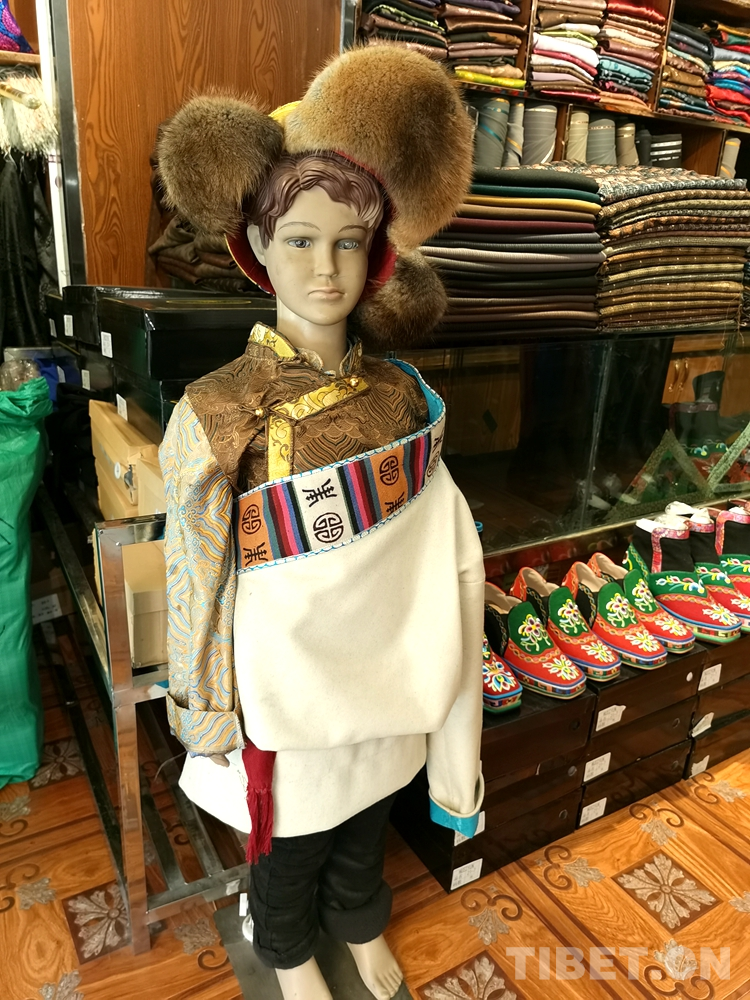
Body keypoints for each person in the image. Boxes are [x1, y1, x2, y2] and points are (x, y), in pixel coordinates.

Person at [157, 45, 484, 1000]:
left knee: (369, 811)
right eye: (298, 239)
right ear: (256, 247)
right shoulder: (217, 409)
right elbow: (196, 568)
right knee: (292, 835)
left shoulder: (403, 397)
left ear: (378, 253)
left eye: (348, 240)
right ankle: (288, 946)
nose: (325, 266)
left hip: (391, 662)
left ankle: (359, 919)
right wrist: (206, 702)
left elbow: (432, 547)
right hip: (286, 687)